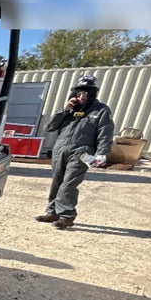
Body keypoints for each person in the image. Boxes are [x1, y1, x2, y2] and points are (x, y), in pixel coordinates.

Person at [35, 74, 115, 229]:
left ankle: (67, 216)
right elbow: (49, 127)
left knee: (68, 184)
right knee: (57, 182)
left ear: (93, 93)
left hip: (82, 152)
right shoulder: (69, 109)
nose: (82, 96)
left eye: (87, 93)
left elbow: (105, 132)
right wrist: (64, 110)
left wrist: (102, 152)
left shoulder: (101, 110)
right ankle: (53, 212)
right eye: (80, 92)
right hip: (60, 150)